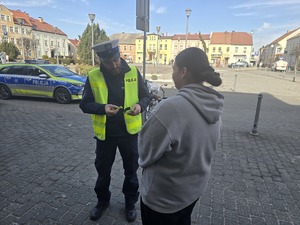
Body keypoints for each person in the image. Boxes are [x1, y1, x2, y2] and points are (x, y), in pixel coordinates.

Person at [138, 47, 224, 225]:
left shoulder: (170, 108)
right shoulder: (214, 105)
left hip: (163, 201)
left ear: (183, 72)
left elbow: (145, 154)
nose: (172, 74)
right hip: (192, 192)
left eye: (173, 69)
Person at [79, 39, 151, 222]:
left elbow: (146, 96)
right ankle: (102, 202)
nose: (114, 64)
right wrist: (102, 108)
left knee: (131, 172)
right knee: (103, 172)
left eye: (116, 59)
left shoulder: (133, 72)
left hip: (129, 134)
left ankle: (130, 203)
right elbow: (84, 104)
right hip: (105, 136)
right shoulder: (94, 76)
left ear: (119, 55)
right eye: (109, 62)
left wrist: (139, 107)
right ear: (100, 61)